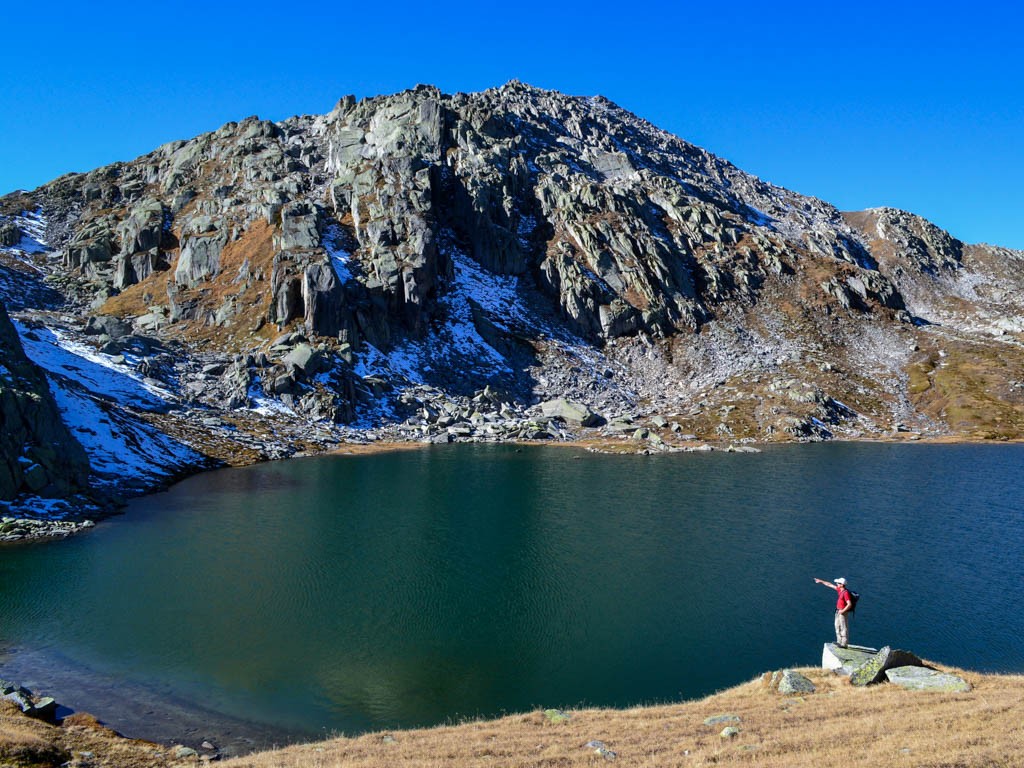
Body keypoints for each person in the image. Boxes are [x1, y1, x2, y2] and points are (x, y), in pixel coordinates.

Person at [814, 577, 853, 648]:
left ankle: (844, 644)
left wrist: (842, 611)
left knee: (843, 628)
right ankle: (839, 642)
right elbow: (829, 584)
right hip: (838, 611)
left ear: (841, 584)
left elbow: (849, 604)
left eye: (838, 583)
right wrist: (820, 581)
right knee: (837, 626)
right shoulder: (840, 590)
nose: (836, 584)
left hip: (842, 612)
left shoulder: (845, 593)